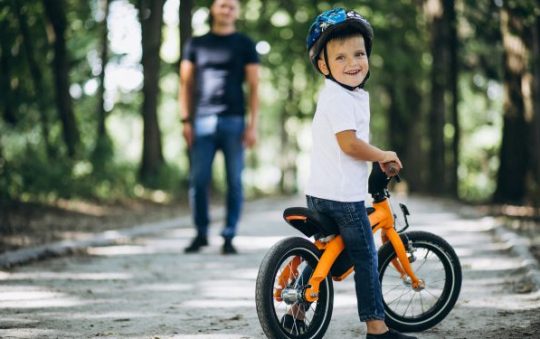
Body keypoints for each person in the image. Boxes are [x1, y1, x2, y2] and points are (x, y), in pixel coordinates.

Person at [300, 8, 416, 339]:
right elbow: (350, 145)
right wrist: (383, 154)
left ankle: (297, 305)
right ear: (323, 66)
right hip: (342, 198)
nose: (353, 62)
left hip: (322, 193)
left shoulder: (343, 94)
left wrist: (373, 156)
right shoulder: (338, 97)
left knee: (327, 252)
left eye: (359, 53)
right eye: (341, 57)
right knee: (366, 256)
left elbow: (351, 145)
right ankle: (377, 328)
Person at [179, 0, 259, 255]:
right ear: (213, 9)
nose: (227, 10)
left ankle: (228, 235)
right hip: (201, 120)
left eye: (232, 6)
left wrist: (252, 125)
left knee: (234, 181)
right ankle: (201, 233)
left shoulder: (245, 44)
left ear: (237, 12)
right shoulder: (196, 44)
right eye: (223, 5)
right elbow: (185, 84)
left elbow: (254, 86)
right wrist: (185, 120)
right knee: (199, 180)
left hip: (234, 121)